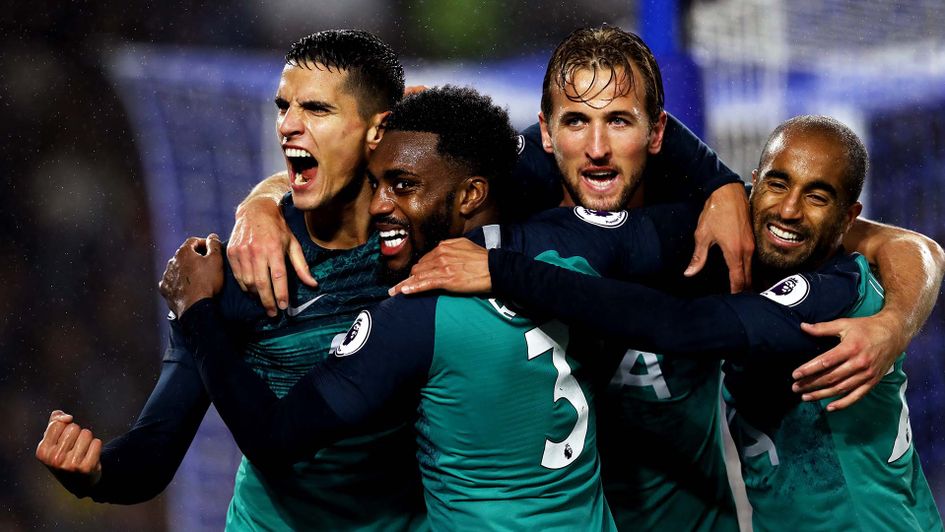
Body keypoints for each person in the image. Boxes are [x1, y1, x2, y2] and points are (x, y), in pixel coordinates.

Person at [227, 25, 945, 531]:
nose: (596, 148)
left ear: (655, 133)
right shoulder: (509, 199)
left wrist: (894, 321)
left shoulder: (716, 228)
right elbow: (379, 179)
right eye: (575, 122)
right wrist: (264, 201)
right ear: (545, 134)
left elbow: (901, 244)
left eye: (620, 122)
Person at [160, 85, 712, 530]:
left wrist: (197, 311)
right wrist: (726, 186)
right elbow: (683, 282)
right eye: (375, 184)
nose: (379, 205)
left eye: (402, 185)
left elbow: (275, 439)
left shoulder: (412, 317)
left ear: (471, 194)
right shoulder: (572, 251)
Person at [391, 115, 944, 531]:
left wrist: (502, 270)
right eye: (777, 184)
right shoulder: (740, 242)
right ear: (752, 184)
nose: (790, 210)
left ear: (849, 217)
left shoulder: (829, 295)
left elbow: (681, 326)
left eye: (817, 197)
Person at [35, 30, 428, 531]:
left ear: (378, 130)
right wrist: (95, 474)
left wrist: (260, 197)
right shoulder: (232, 272)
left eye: (316, 109)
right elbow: (152, 454)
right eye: (283, 107)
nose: (288, 125)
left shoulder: (423, 236)